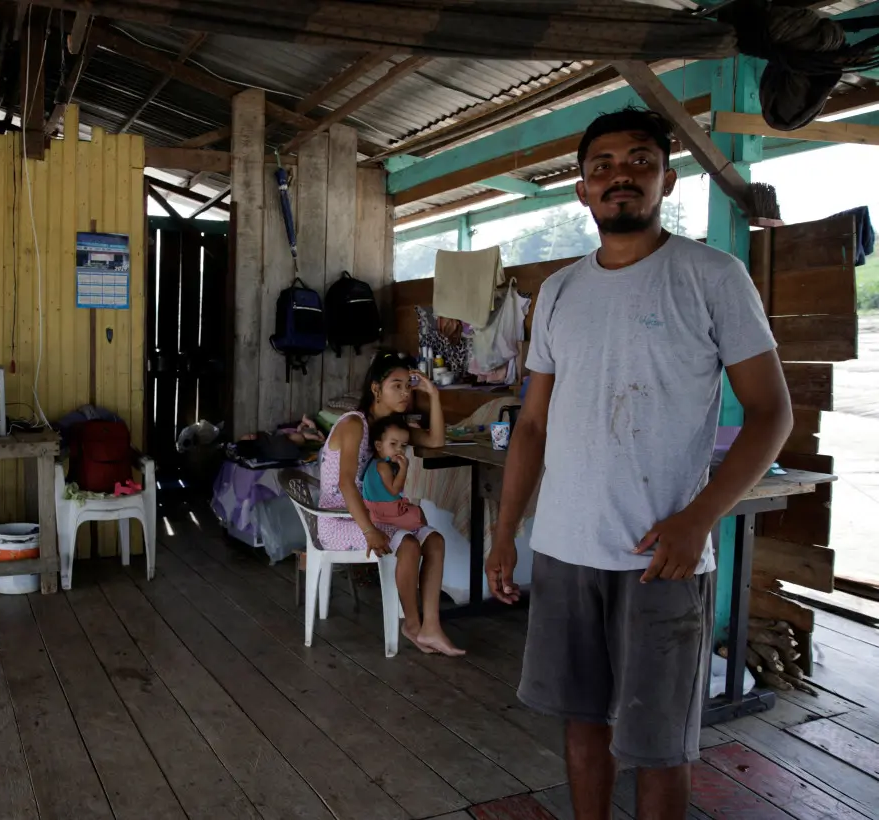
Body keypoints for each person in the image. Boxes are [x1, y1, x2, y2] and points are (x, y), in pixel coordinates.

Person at [487, 108, 792, 819]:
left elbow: (771, 413)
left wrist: (699, 519)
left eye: (638, 161)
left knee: (658, 746)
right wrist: (508, 534)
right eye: (602, 166)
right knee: (584, 722)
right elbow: (531, 425)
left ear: (665, 178)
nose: (619, 175)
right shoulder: (559, 292)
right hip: (564, 549)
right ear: (582, 190)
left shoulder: (712, 277)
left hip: (663, 556)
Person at [319, 351, 464, 657]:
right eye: (396, 386)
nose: (405, 393)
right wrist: (370, 531)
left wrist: (434, 395)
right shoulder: (355, 424)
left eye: (408, 387)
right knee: (409, 545)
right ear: (376, 389)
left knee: (434, 541)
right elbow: (346, 483)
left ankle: (432, 626)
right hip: (338, 519)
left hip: (371, 513)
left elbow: (436, 441)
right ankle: (412, 625)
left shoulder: (389, 429)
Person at [362, 414, 424, 532]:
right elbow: (395, 490)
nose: (399, 449)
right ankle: (423, 538)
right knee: (417, 512)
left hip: (379, 510)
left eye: (403, 445)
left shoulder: (376, 463)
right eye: (393, 444)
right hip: (386, 514)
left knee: (415, 511)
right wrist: (404, 468)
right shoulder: (383, 466)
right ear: (378, 445)